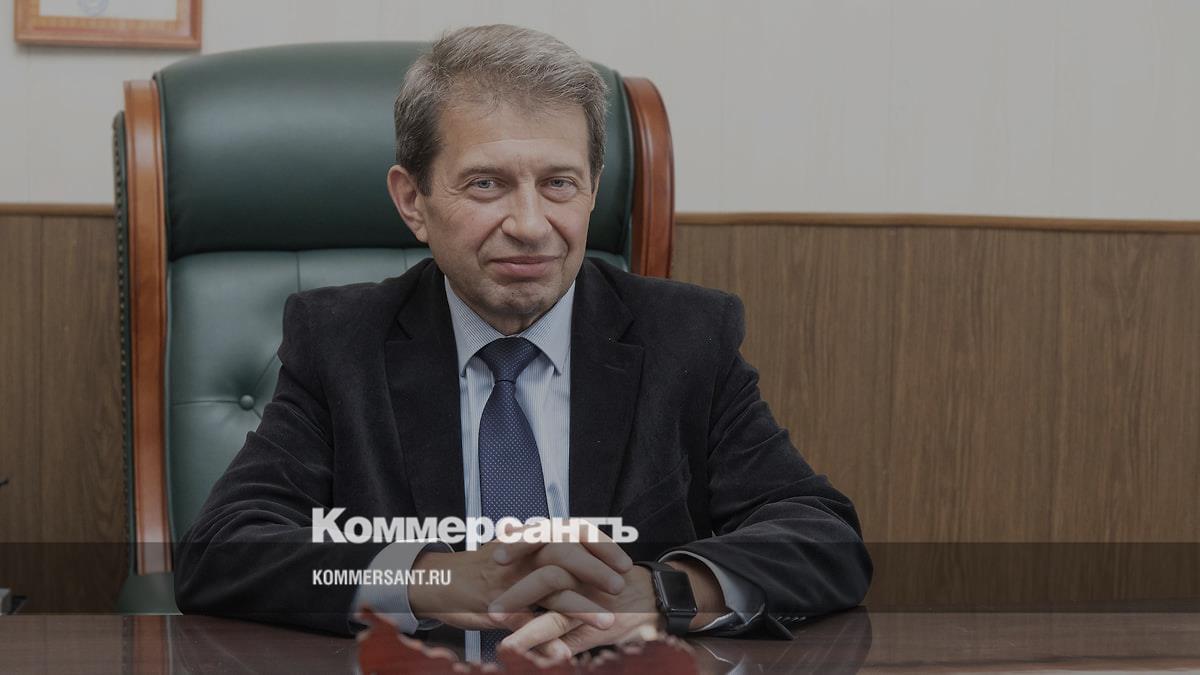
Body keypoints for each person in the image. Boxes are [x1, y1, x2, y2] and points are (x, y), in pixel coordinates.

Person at [174, 24, 871, 662]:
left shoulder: (686, 337)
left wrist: (661, 593)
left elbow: (822, 535)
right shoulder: (341, 343)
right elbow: (224, 548)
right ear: (413, 200)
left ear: (593, 191)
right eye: (487, 184)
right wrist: (434, 580)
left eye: (559, 183)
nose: (531, 225)